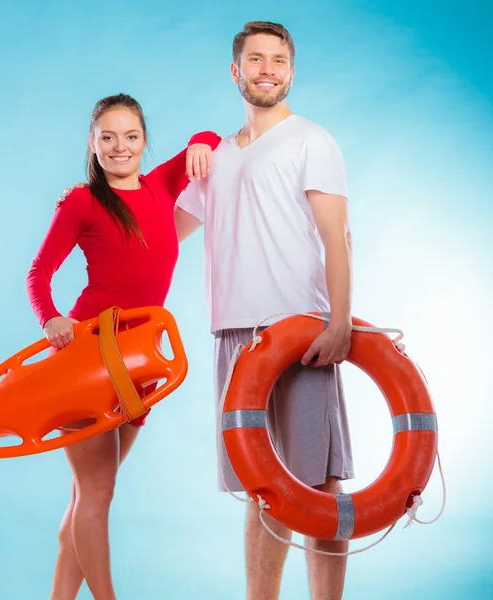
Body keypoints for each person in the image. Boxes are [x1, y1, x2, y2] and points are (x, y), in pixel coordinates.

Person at [173, 21, 355, 600]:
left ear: (292, 71)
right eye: (256, 59)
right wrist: (96, 198)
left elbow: (337, 236)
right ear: (236, 71)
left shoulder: (312, 140)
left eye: (278, 59)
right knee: (262, 485)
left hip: (299, 329)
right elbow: (160, 232)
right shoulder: (215, 158)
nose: (268, 69)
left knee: (319, 482)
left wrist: (341, 322)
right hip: (234, 334)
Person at [26, 93, 220, 600]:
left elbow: (211, 141)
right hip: (87, 359)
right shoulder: (81, 201)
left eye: (130, 136)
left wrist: (200, 142)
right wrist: (51, 319)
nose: (119, 147)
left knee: (86, 499)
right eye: (107, 137)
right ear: (92, 143)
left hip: (140, 364)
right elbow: (38, 273)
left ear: (144, 140)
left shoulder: (161, 186)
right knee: (97, 493)